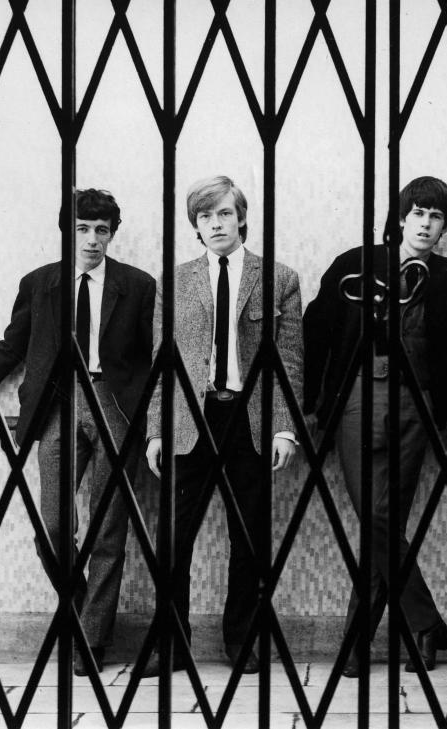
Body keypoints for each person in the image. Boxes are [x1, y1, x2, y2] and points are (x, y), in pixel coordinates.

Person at [303, 176, 447, 676]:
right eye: (419, 213)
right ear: (402, 218)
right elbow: (315, 330)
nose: (426, 224)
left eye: (437, 217)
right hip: (359, 397)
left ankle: (358, 645)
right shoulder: (356, 264)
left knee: (384, 523)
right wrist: (312, 403)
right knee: (377, 517)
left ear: (445, 226)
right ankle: (424, 621)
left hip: (417, 406)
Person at [0, 189, 155, 676]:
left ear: (112, 233)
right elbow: (11, 348)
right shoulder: (40, 283)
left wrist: (155, 421)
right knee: (52, 525)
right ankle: (77, 608)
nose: (92, 239)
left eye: (101, 229)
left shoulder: (138, 285)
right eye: (81, 229)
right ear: (66, 231)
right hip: (57, 405)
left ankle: (92, 640)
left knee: (107, 528)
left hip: (115, 407)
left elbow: (154, 359)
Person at [142, 175, 303, 676]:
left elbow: (290, 361)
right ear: (195, 224)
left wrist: (283, 427)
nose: (216, 223)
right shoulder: (175, 281)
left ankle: (242, 641)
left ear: (241, 218)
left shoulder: (279, 278)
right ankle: (171, 642)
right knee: (174, 540)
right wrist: (156, 428)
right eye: (206, 216)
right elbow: (160, 361)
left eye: (225, 214)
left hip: (249, 420)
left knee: (248, 539)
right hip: (192, 418)